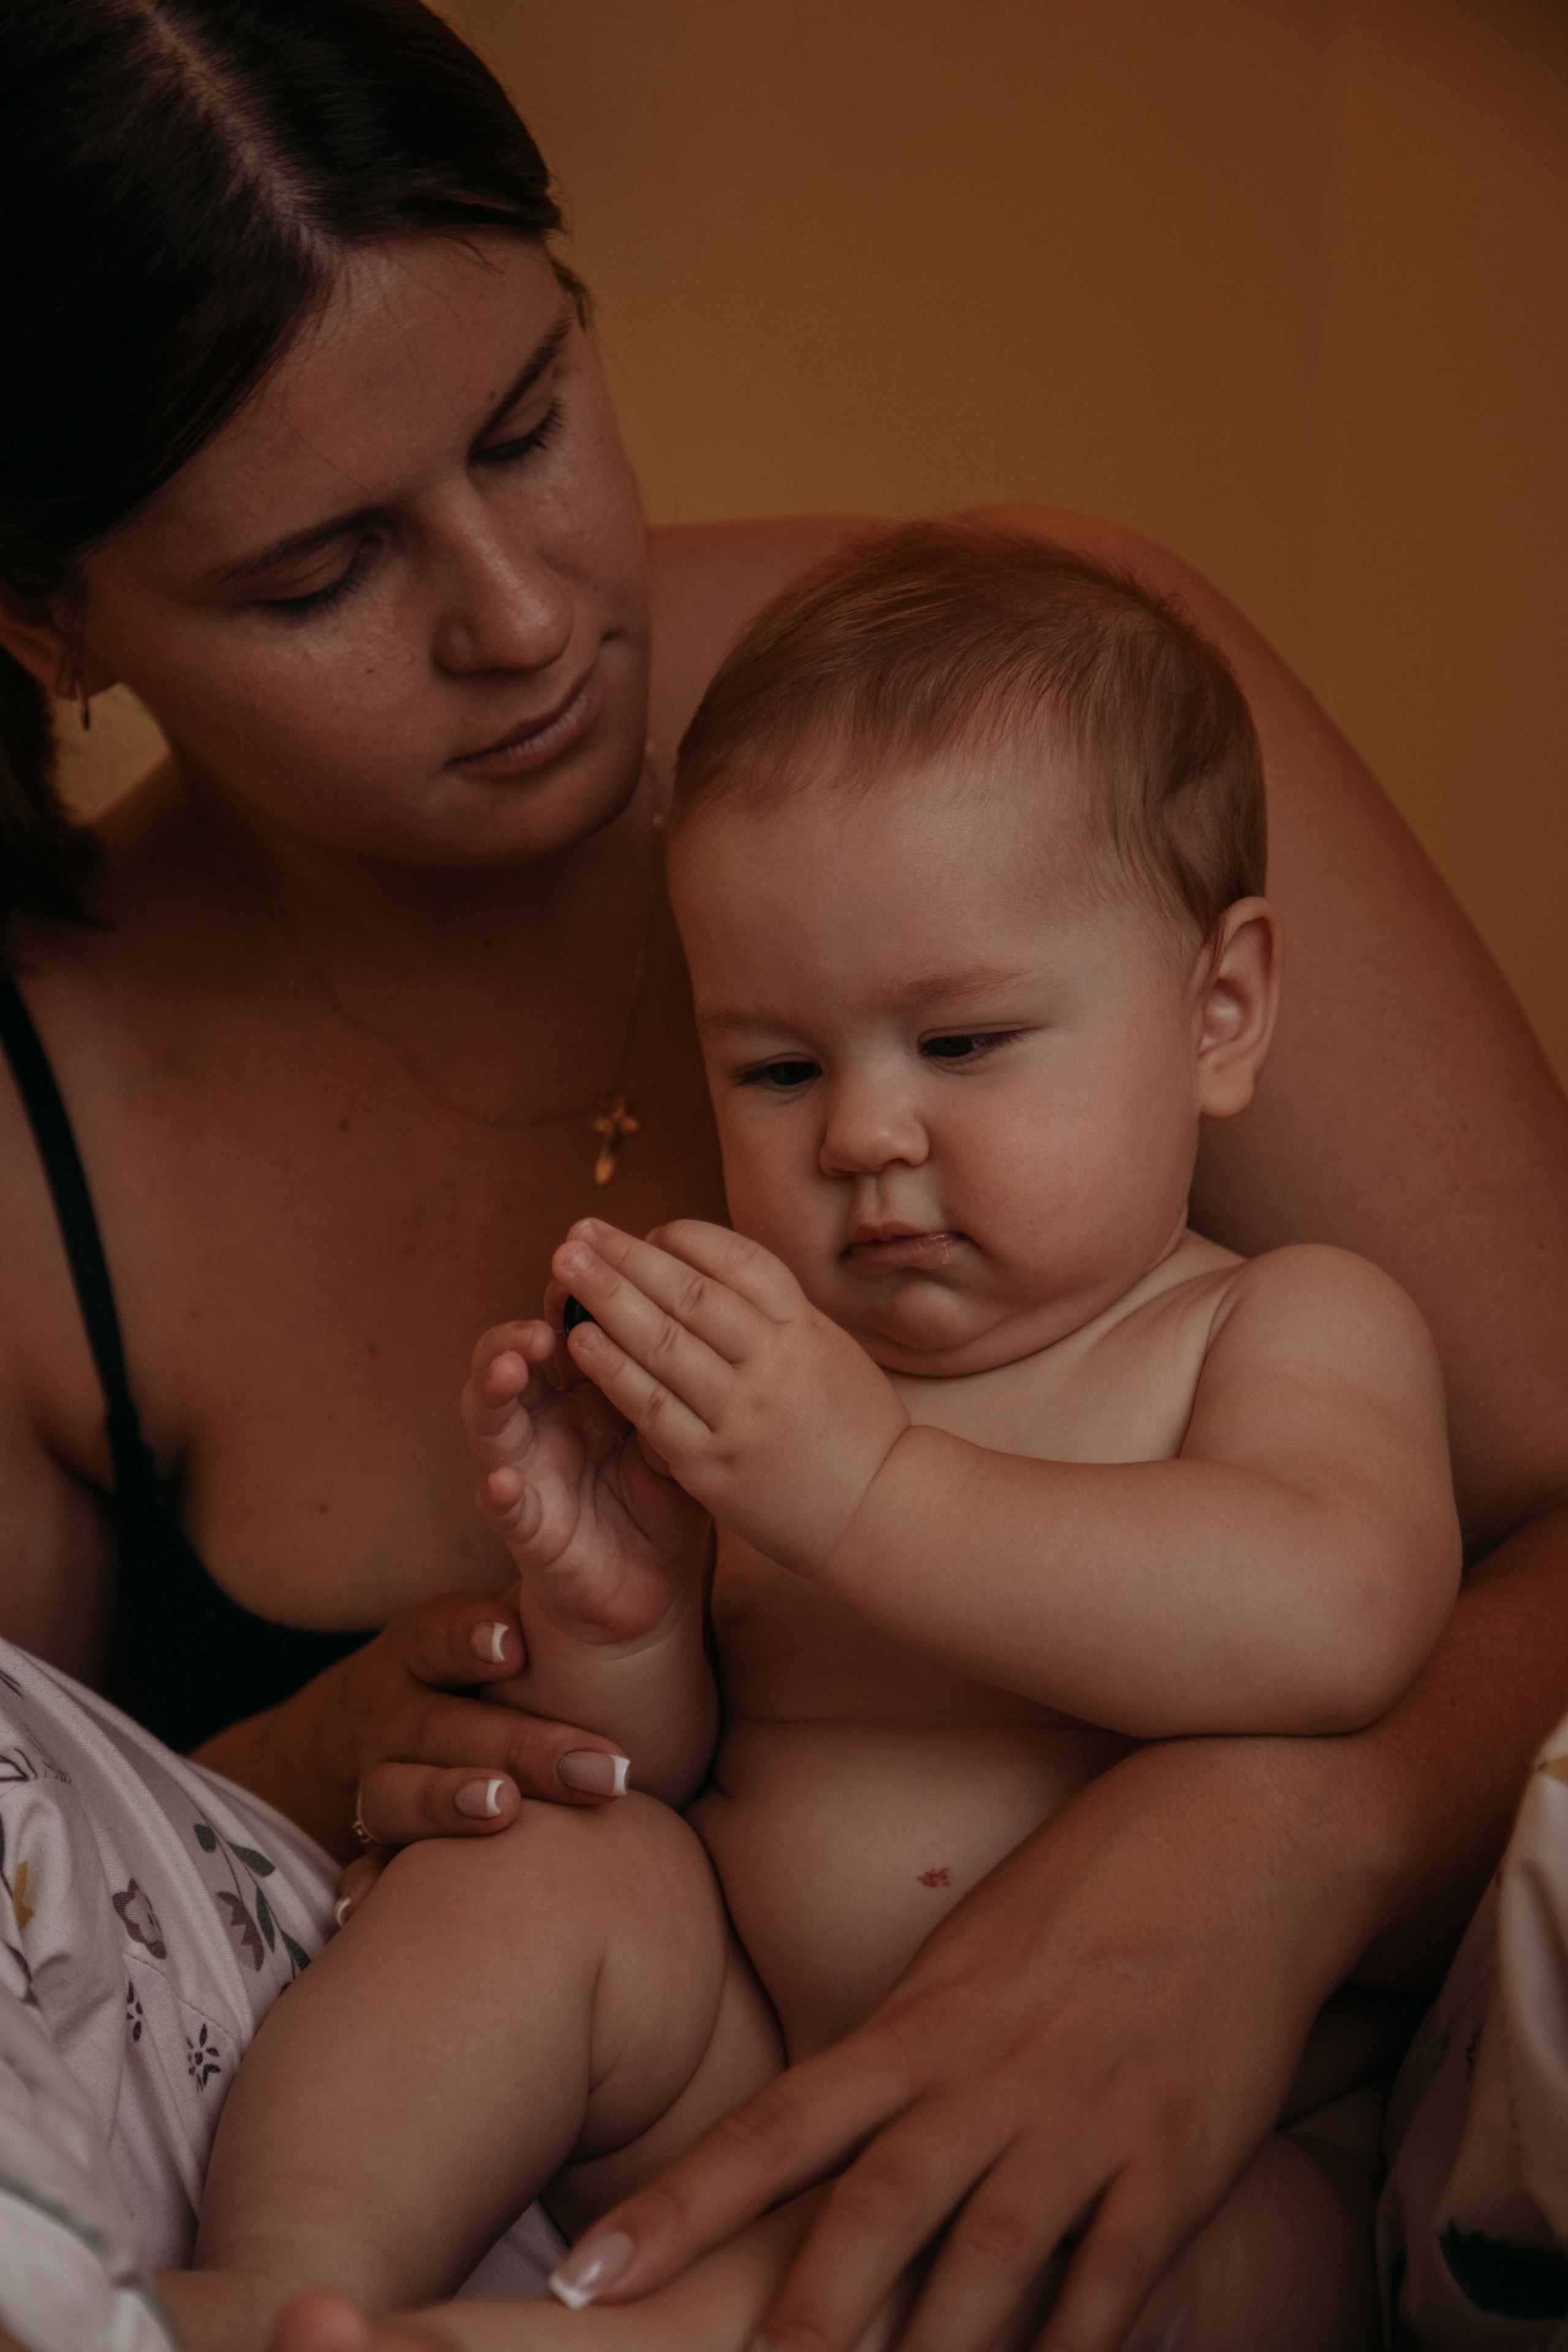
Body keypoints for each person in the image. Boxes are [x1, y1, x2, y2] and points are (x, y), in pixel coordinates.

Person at [0, 2, 1565, 2348]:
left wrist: (1268, 1859)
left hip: (1215, 2137)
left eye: (531, 424)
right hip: (703, 2048)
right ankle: (276, 2301)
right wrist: (555, 1637)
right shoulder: (40, 1120)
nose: (520, 619)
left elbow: (1407, 1568)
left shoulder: (1025, 743)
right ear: (52, 624)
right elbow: (82, 1850)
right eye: (321, 573)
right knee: (556, 1895)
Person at [187, 525, 1464, 2352]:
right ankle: (275, 2283)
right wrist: (617, 1626)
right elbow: (672, 1777)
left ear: (1221, 1010)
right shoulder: (779, 1386)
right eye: (779, 1070)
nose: (865, 1132)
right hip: (749, 2075)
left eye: (963, 1042)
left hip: (1160, 2142)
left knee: (1191, 2269)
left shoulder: (1272, 1324)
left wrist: (866, 1490)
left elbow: (1336, 1612)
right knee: (550, 1865)